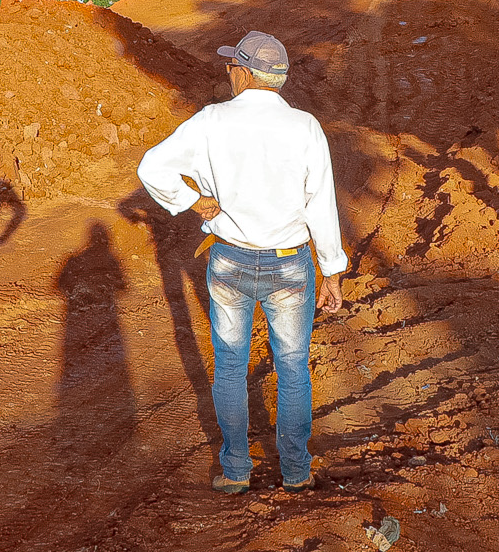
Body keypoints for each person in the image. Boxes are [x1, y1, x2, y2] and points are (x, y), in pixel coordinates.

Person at [137, 31, 347, 494]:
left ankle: (235, 470)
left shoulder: (212, 121)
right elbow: (322, 205)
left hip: (229, 261)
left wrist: (191, 200)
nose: (228, 73)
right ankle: (295, 471)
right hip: (290, 266)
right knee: (292, 366)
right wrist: (331, 269)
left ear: (245, 73)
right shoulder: (305, 127)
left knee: (230, 365)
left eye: (232, 67)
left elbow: (152, 167)